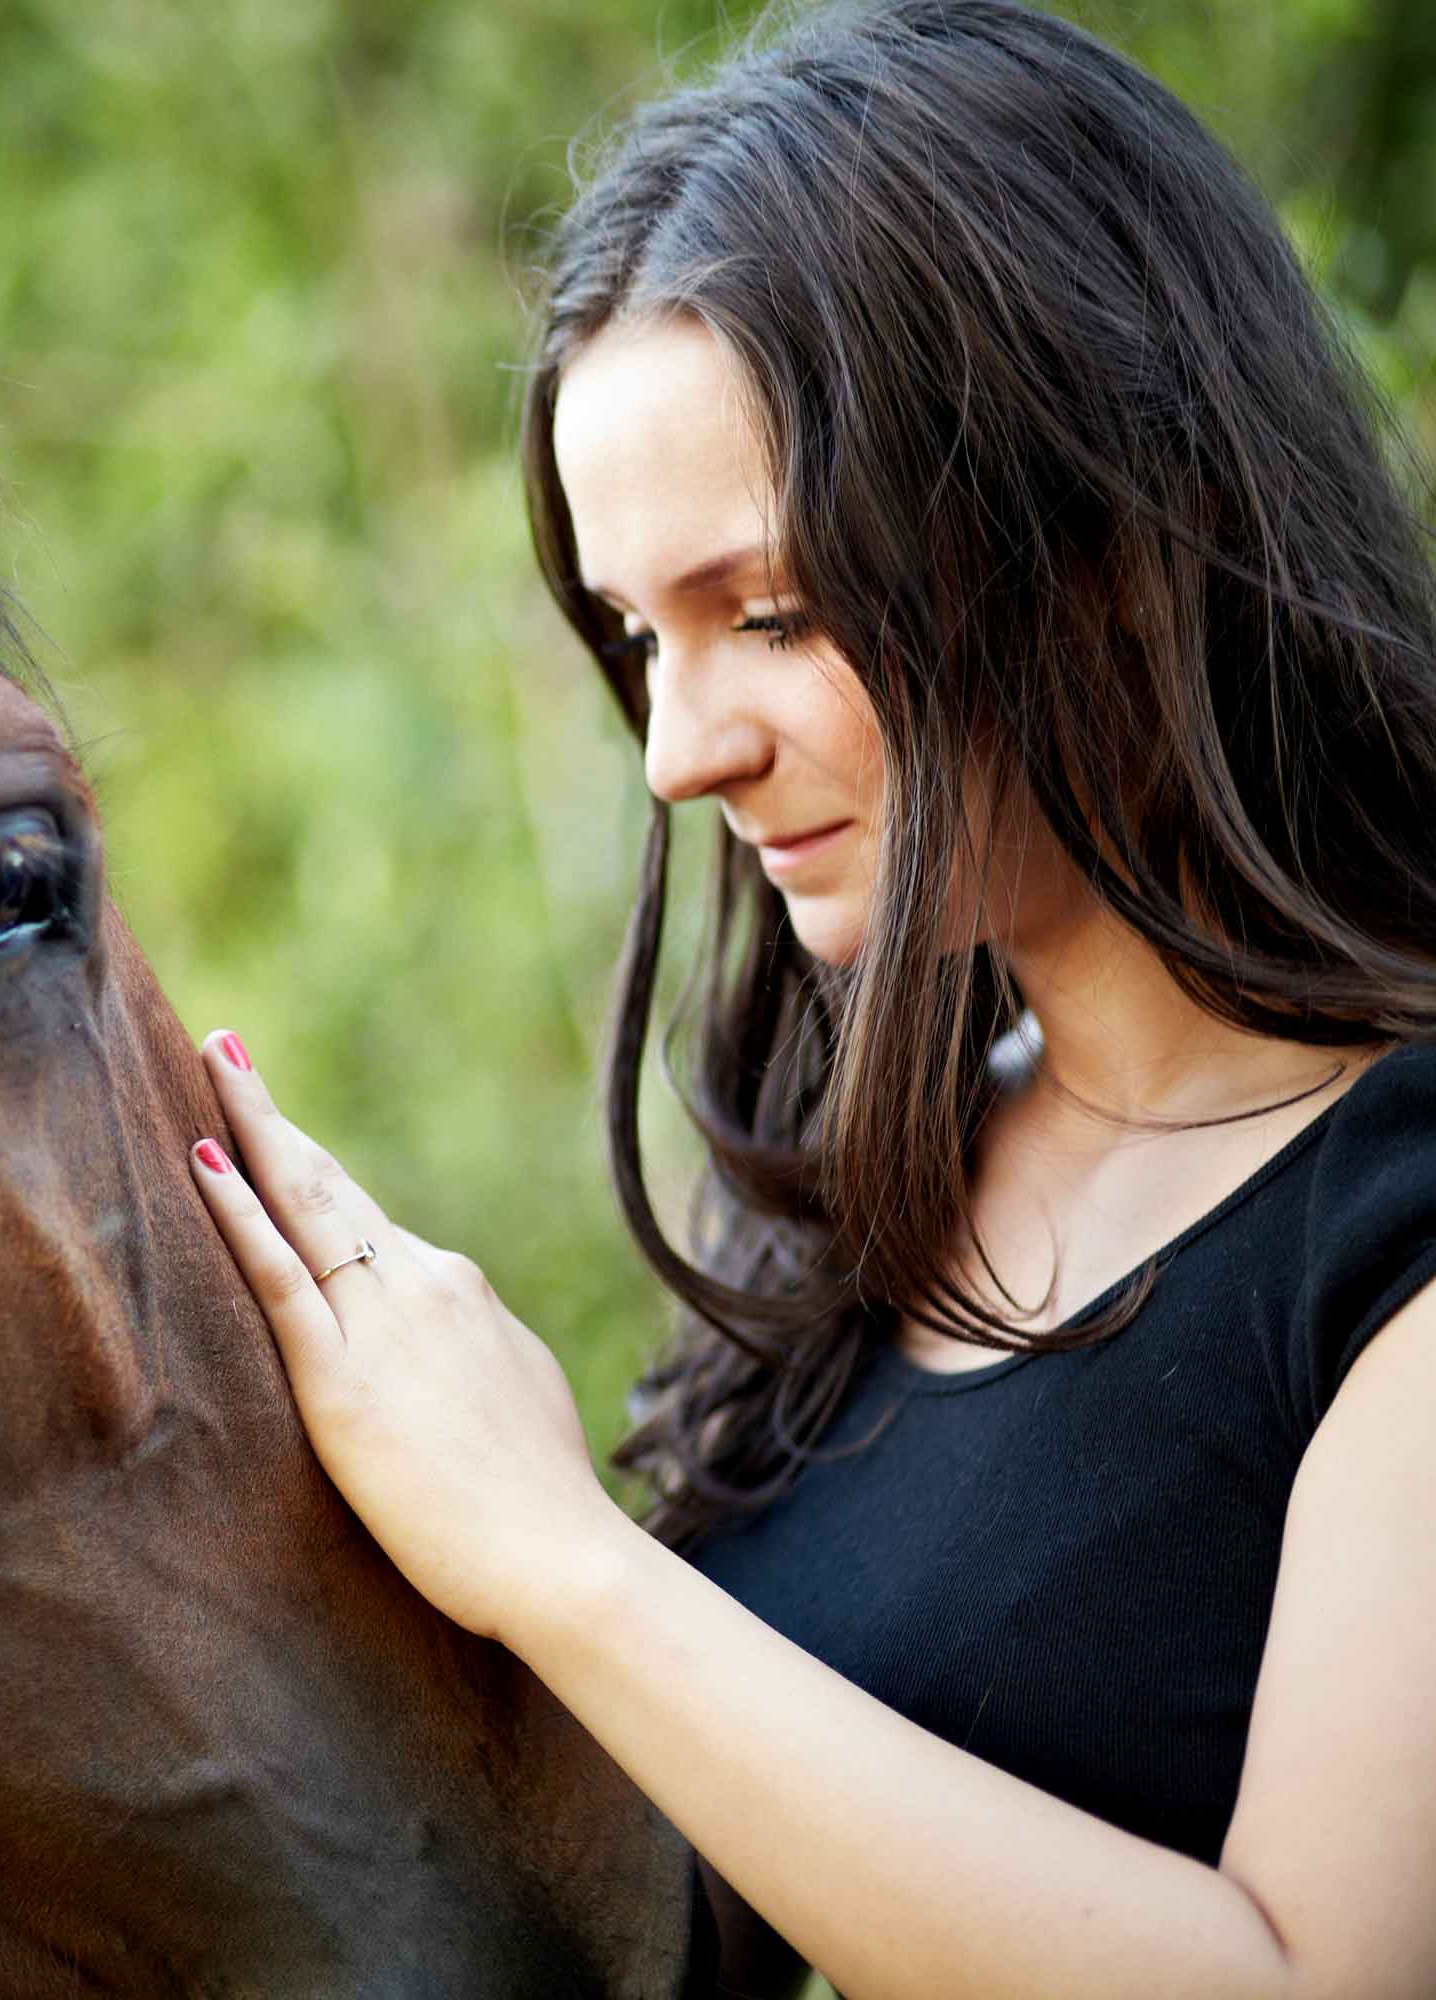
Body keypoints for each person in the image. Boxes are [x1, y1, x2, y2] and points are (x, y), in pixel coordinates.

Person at [182, 2, 1436, 1994]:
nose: (677, 747)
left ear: (1110, 531)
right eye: (635, 633)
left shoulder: (1395, 1233)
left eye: (767, 611)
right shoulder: (884, 1168)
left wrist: (565, 1564)